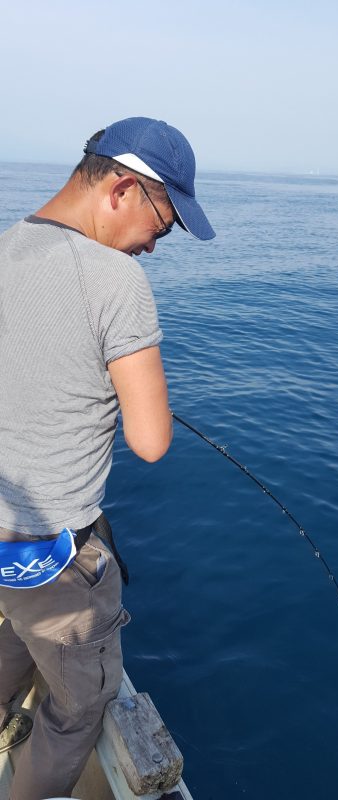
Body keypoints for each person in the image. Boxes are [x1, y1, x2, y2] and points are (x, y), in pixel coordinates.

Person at [0, 117, 215, 800]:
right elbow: (151, 441)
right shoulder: (115, 280)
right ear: (122, 188)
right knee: (78, 708)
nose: (158, 245)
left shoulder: (9, 246)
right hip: (55, 553)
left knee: (11, 641)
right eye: (166, 222)